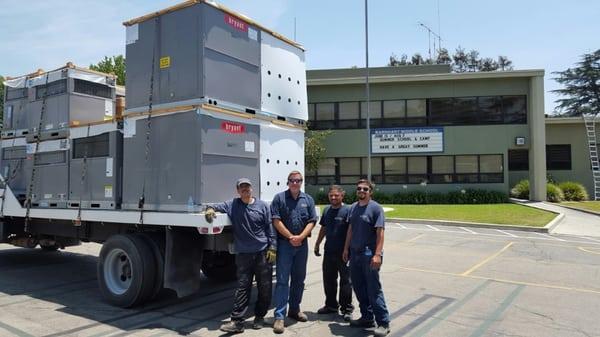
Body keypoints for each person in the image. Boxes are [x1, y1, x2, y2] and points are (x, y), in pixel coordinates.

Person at [206, 178, 277, 334]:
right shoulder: (233, 204)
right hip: (243, 255)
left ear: (252, 189)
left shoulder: (263, 206)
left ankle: (259, 316)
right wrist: (210, 210)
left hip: (262, 253)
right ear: (238, 191)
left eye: (247, 187)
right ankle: (237, 322)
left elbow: (270, 227)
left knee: (264, 287)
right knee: (242, 287)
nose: (245, 189)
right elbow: (214, 206)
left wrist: (272, 247)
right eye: (242, 187)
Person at [270, 170, 317, 334]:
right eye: (292, 180)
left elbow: (312, 221)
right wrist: (290, 237)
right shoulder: (279, 198)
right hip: (285, 245)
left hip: (302, 246)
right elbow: (276, 220)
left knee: (299, 279)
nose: (295, 183)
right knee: (283, 281)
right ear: (287, 182)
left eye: (298, 180)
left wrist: (301, 237)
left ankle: (294, 310)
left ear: (301, 182)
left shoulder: (308, 199)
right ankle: (279, 317)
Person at [342, 179, 391, 337]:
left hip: (369, 254)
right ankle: (367, 318)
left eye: (365, 189)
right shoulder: (353, 208)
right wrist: (345, 249)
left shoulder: (376, 208)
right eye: (359, 189)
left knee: (373, 289)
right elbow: (350, 229)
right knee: (359, 287)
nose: (361, 191)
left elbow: (380, 233)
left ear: (371, 192)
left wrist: (377, 254)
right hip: (354, 254)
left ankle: (383, 322)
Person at [314, 185, 354, 321]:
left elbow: (351, 231)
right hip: (329, 251)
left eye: (336, 195)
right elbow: (323, 228)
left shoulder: (348, 210)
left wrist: (347, 249)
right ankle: (331, 305)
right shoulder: (327, 210)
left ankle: (347, 309)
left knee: (346, 282)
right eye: (331, 195)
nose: (333, 197)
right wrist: (317, 243)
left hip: (344, 253)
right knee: (329, 280)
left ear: (342, 196)